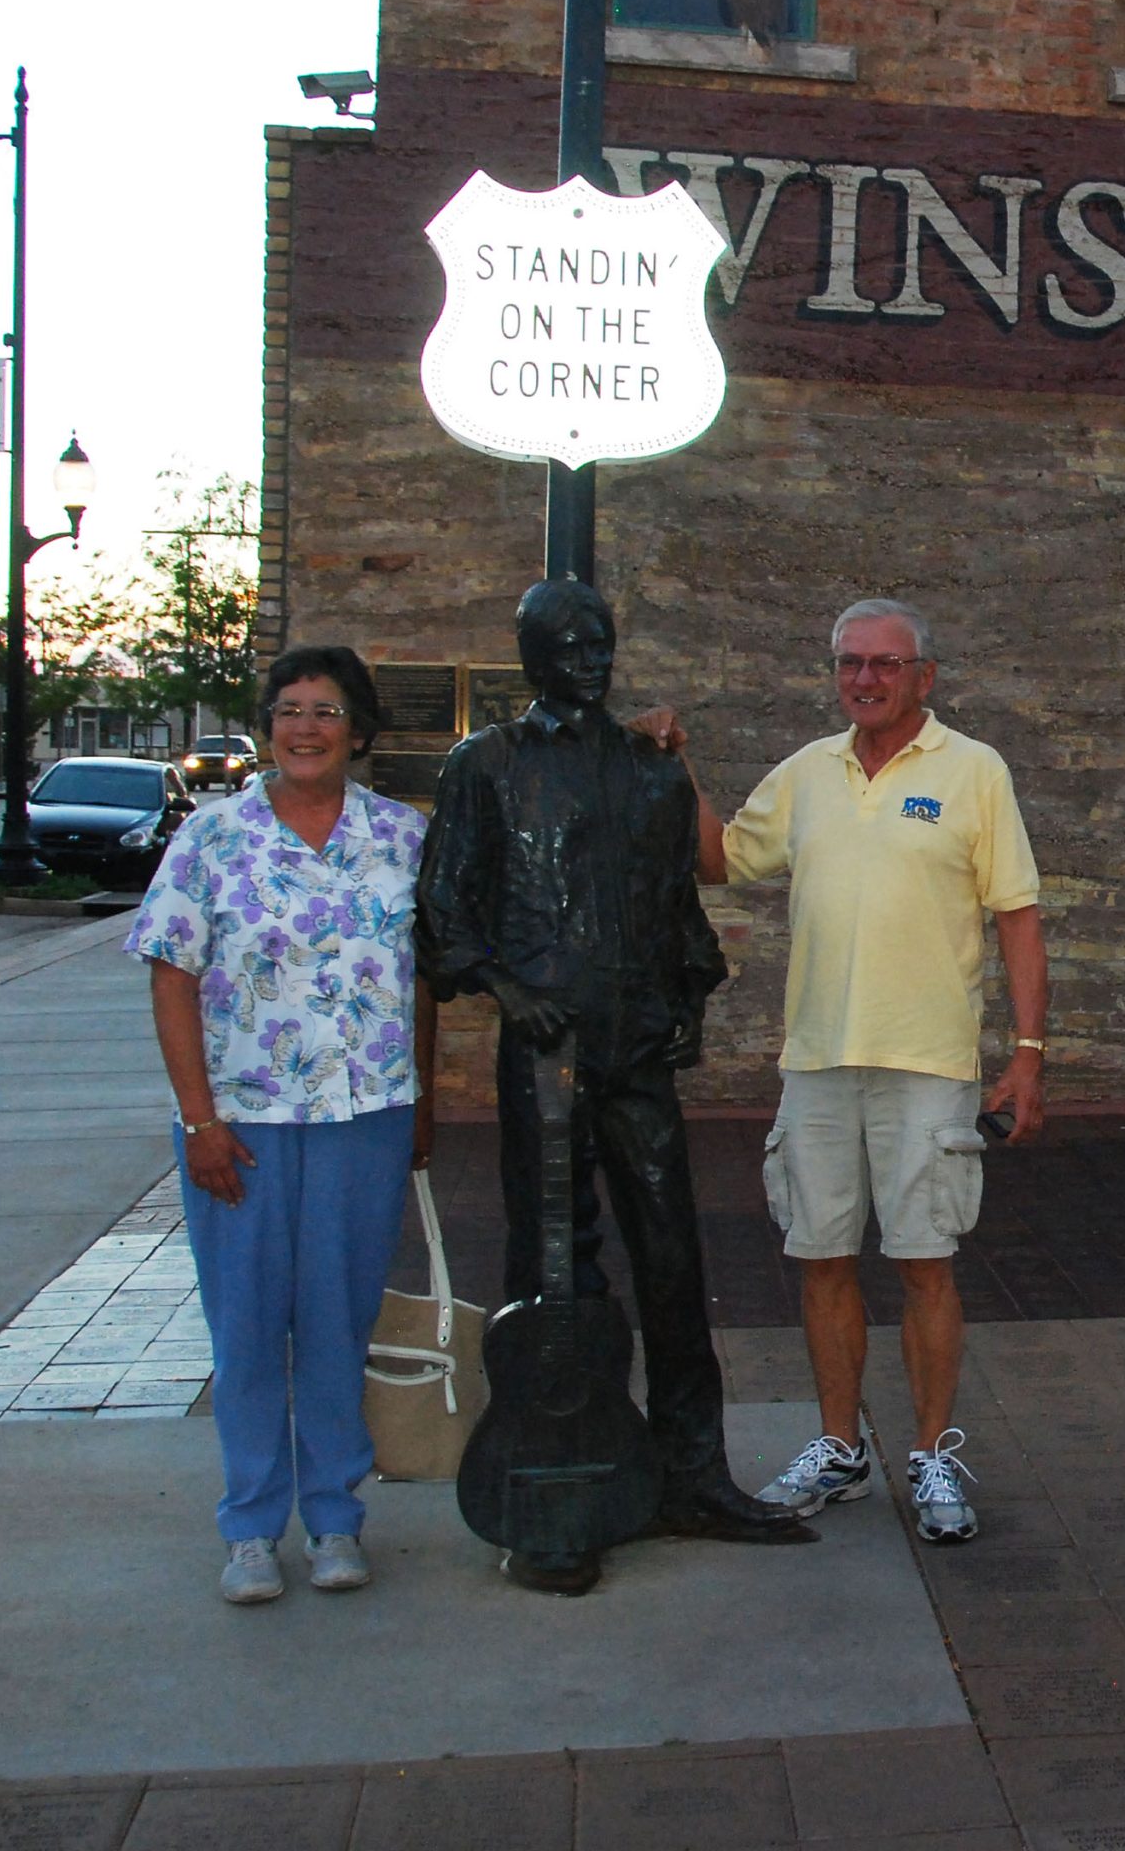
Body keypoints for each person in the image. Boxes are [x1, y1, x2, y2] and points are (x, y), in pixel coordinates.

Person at [416, 580, 808, 1587]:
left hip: (636, 1049)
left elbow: (679, 906)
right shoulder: (487, 764)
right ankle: (554, 1489)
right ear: (531, 652)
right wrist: (509, 988)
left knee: (673, 1259)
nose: (590, 659)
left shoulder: (648, 769)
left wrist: (688, 1004)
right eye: (569, 643)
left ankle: (692, 1472)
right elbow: (444, 905)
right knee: (551, 1265)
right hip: (544, 1054)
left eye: (603, 642)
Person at [640, 597, 1046, 1544]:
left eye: (886, 664)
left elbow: (1018, 915)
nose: (865, 679)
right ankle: (840, 1448)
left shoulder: (975, 771)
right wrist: (673, 765)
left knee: (925, 1264)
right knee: (820, 1260)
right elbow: (719, 861)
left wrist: (1027, 1056)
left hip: (927, 1066)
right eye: (849, 663)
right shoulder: (807, 775)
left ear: (925, 677)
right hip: (818, 1061)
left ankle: (934, 1455)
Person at [126, 644, 437, 1606]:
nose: (306, 728)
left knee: (339, 1323)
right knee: (251, 1328)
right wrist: (198, 1120)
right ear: (268, 726)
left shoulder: (402, 838)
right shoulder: (213, 839)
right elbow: (170, 975)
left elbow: (425, 976)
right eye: (290, 709)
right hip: (244, 1125)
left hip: (364, 1118)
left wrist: (420, 1097)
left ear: (359, 732)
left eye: (328, 712)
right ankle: (253, 1527)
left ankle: (337, 1517)